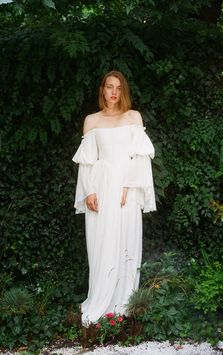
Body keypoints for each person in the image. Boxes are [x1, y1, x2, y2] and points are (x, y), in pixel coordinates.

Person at [72, 70, 156, 326]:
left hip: (126, 190)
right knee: (100, 245)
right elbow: (87, 162)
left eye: (118, 88)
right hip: (101, 188)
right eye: (109, 87)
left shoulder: (133, 117)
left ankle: (124, 303)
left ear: (124, 91)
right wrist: (89, 191)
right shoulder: (92, 120)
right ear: (102, 90)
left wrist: (129, 187)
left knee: (126, 242)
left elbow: (141, 157)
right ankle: (101, 300)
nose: (114, 92)